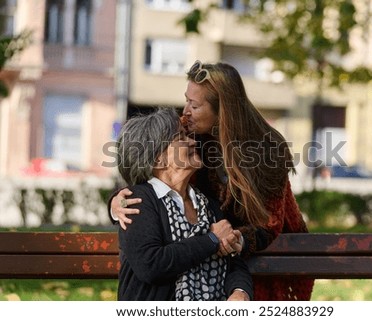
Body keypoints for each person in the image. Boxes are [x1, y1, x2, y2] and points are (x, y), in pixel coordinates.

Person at [111, 60, 314, 300]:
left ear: (222, 111)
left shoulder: (267, 149)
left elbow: (269, 223)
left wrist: (236, 241)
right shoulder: (193, 135)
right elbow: (153, 170)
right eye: (186, 99)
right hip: (210, 248)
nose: (185, 111)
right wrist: (117, 203)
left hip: (260, 252)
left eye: (194, 105)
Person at [116, 107, 253, 301]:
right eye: (181, 137)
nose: (191, 141)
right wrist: (211, 240)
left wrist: (240, 291)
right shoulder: (138, 200)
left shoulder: (208, 205)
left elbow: (234, 263)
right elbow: (151, 265)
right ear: (158, 157)